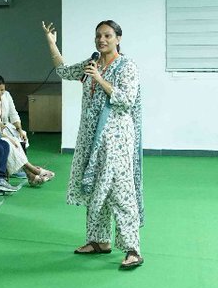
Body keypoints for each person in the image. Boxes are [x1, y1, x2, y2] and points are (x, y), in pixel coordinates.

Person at [43, 20, 144, 269]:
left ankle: (132, 249)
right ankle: (99, 241)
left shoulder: (127, 66)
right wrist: (52, 43)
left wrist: (99, 79)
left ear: (118, 39)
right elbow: (63, 71)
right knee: (95, 187)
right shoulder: (92, 63)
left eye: (108, 35)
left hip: (116, 139)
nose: (102, 40)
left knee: (120, 190)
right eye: (98, 35)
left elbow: (126, 99)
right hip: (90, 138)